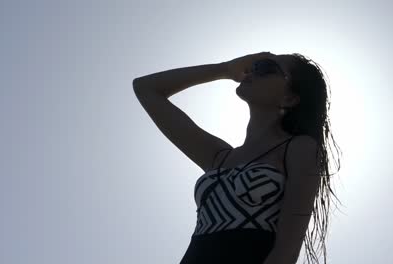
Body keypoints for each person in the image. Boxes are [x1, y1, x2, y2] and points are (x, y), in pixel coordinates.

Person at [133, 51, 341, 264]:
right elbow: (145, 88)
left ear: (290, 98)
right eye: (255, 65)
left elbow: (286, 251)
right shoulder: (219, 157)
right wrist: (224, 69)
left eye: (267, 68)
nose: (253, 70)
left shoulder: (300, 148)